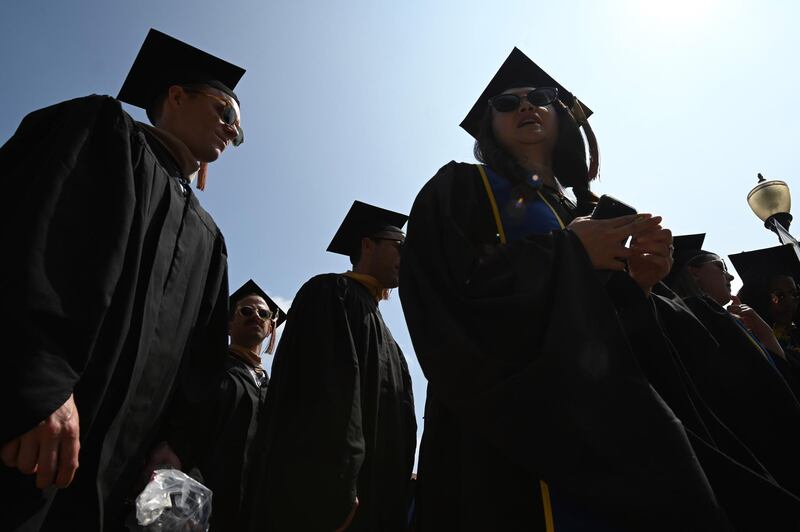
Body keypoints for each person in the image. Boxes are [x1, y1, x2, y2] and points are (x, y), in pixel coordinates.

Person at [399, 47, 800, 531]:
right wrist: (567, 253)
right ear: (490, 125)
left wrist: (643, 288)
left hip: (630, 430)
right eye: (507, 103)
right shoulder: (460, 187)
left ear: (561, 117)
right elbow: (441, 294)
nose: (526, 106)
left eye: (540, 98)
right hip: (520, 438)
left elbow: (627, 340)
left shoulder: (591, 214)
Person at [0, 29, 244, 531]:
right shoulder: (101, 132)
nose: (231, 131)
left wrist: (174, 446)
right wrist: (39, 382)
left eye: (237, 129)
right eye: (226, 113)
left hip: (121, 482)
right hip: (34, 434)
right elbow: (34, 240)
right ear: (177, 96)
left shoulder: (209, 240)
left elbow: (201, 362)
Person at [247, 201, 416, 532]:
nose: (406, 258)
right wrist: (334, 492)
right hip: (328, 506)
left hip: (374, 508)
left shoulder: (393, 346)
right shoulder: (329, 293)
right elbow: (325, 400)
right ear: (368, 244)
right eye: (400, 246)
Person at [657, 234, 800, 496]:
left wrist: (764, 334)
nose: (730, 277)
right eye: (720, 267)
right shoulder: (693, 316)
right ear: (694, 272)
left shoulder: (730, 320)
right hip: (763, 446)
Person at [155, 280, 286, 531]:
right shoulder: (209, 369)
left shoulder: (273, 387)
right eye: (246, 311)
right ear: (228, 324)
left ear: (271, 327)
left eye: (263, 313)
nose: (255, 316)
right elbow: (185, 425)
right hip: (201, 502)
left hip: (254, 509)